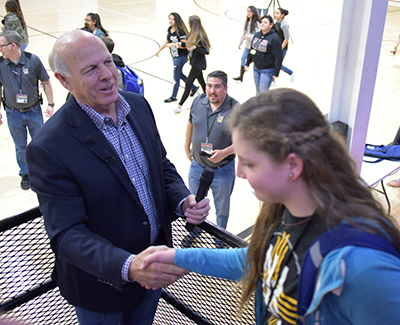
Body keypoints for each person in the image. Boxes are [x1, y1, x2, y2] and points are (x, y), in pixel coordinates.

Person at [142, 88, 400, 324]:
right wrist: (179, 258)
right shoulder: (286, 210)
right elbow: (260, 259)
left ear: (292, 166)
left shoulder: (364, 267)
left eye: (250, 163)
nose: (240, 172)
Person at [25, 30, 210, 325]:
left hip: (151, 274)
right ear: (64, 80)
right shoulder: (49, 147)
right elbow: (67, 235)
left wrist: (181, 200)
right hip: (101, 289)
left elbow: (160, 165)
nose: (107, 75)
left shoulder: (137, 105)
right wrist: (129, 266)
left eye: (108, 62)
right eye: (90, 69)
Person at [0, 30, 54, 190]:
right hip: (13, 113)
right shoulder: (1, 64)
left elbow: (46, 82)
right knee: (20, 145)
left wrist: (50, 104)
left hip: (33, 111)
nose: (0, 49)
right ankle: (25, 173)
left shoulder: (33, 60)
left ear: (13, 45)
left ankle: (43, 171)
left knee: (39, 142)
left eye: (2, 46)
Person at [185, 70, 239, 229]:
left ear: (226, 88)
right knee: (195, 204)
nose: (212, 91)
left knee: (222, 210)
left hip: (222, 170)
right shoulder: (198, 101)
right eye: (209, 86)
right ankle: (194, 232)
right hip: (197, 166)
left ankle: (220, 240)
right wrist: (186, 146)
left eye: (217, 86)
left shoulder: (236, 109)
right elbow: (190, 123)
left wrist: (224, 153)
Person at [156, 12, 198, 103]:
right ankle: (193, 87)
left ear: (176, 20)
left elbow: (185, 45)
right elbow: (167, 41)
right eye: (169, 18)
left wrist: (173, 45)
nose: (170, 21)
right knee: (179, 74)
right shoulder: (170, 29)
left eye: (173, 19)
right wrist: (160, 49)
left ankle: (174, 96)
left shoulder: (181, 31)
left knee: (176, 77)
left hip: (181, 57)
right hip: (175, 57)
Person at [174, 15, 211, 114]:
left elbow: (206, 51)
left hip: (198, 64)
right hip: (195, 63)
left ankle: (179, 105)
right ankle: (210, 99)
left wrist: (195, 47)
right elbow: (189, 45)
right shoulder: (193, 34)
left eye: (189, 22)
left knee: (188, 84)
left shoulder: (200, 35)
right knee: (202, 83)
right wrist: (181, 45)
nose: (188, 24)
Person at [245, 15, 283, 94]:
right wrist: (247, 63)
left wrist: (276, 72)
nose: (262, 24)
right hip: (256, 68)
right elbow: (252, 50)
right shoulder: (257, 35)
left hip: (267, 70)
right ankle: (259, 106)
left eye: (265, 22)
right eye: (261, 22)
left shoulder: (274, 38)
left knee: (263, 92)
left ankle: (266, 105)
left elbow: (278, 56)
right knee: (258, 90)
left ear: (271, 25)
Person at [233, 6, 260, 83]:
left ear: (254, 13)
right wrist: (240, 43)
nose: (248, 13)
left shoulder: (257, 23)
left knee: (254, 61)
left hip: (254, 47)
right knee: (243, 59)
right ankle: (241, 76)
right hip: (247, 46)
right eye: (247, 11)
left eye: (250, 11)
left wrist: (248, 37)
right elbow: (243, 33)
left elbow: (257, 35)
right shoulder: (246, 22)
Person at [274, 8, 295, 83]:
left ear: (282, 15)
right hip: (276, 47)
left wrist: (281, 48)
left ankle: (291, 73)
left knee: (277, 64)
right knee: (274, 63)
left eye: (277, 13)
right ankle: (272, 80)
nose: (275, 15)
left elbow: (286, 38)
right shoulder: (276, 22)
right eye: (275, 13)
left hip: (282, 47)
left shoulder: (284, 25)